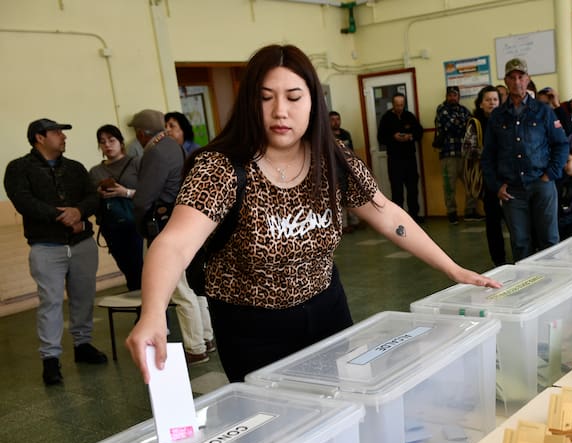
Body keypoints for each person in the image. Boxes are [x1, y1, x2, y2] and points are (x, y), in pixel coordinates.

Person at [126, 44, 500, 384]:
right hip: (250, 325)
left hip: (325, 309)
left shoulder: (332, 160)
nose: (280, 111)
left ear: (312, 103)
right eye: (265, 98)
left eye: (293, 97)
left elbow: (390, 217)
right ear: (248, 104)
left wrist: (454, 269)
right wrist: (154, 312)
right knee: (274, 427)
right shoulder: (220, 168)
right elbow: (174, 243)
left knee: (340, 406)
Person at [4, 118, 108, 385]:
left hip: (82, 245)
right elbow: (24, 201)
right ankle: (50, 360)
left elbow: (92, 197)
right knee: (50, 303)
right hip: (46, 247)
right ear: (40, 137)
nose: (63, 137)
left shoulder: (75, 168)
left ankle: (83, 345)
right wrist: (61, 216)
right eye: (57, 132)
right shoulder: (19, 168)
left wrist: (79, 212)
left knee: (84, 297)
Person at [129, 108, 214, 365]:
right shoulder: (174, 146)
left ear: (141, 133)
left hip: (164, 224)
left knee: (178, 289)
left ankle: (195, 347)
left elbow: (144, 197)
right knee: (194, 286)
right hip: (184, 221)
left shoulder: (155, 151)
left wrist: (142, 224)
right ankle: (207, 337)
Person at [481, 57, 569, 262]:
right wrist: (496, 185)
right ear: (506, 81)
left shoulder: (543, 111)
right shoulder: (497, 116)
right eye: (512, 78)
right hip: (512, 190)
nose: (517, 82)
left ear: (528, 79)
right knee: (520, 243)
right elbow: (488, 156)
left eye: (521, 77)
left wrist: (550, 175)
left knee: (549, 240)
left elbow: (561, 144)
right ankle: (529, 289)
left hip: (542, 183)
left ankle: (555, 287)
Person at [88, 124, 144, 291]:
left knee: (143, 269)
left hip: (137, 224)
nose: (107, 145)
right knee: (129, 271)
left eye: (112, 140)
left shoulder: (136, 163)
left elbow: (149, 192)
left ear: (121, 142)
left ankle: (154, 314)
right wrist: (98, 194)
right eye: (102, 142)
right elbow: (90, 202)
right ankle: (140, 311)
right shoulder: (95, 171)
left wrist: (125, 192)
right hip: (112, 227)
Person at [463, 85, 506, 265]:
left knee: (514, 220)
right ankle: (499, 261)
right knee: (493, 221)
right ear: (480, 104)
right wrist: (488, 153)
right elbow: (467, 150)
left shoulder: (506, 119)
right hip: (488, 178)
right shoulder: (476, 123)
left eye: (495, 99)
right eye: (488, 100)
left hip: (508, 176)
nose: (492, 103)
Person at [377, 93, 424, 222]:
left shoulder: (409, 116)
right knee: (397, 191)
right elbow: (380, 138)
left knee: (412, 189)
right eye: (397, 105)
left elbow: (419, 132)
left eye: (402, 105)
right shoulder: (386, 118)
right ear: (393, 104)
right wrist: (393, 137)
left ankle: (414, 216)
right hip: (395, 159)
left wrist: (410, 137)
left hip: (410, 159)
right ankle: (398, 218)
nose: (399, 107)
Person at [435, 86, 473, 223]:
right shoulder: (441, 109)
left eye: (454, 95)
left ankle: (470, 212)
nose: (452, 97)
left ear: (459, 97)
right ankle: (451, 213)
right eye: (449, 95)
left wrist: (461, 124)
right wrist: (462, 125)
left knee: (471, 184)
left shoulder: (464, 110)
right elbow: (453, 127)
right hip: (448, 154)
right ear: (446, 96)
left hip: (465, 154)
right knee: (449, 186)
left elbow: (471, 126)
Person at [329, 110, 359, 232]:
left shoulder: (346, 134)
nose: (336, 122)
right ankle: (344, 225)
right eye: (333, 120)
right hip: (334, 170)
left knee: (350, 195)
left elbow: (351, 151)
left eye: (338, 119)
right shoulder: (327, 135)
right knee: (339, 198)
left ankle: (354, 221)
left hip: (347, 169)